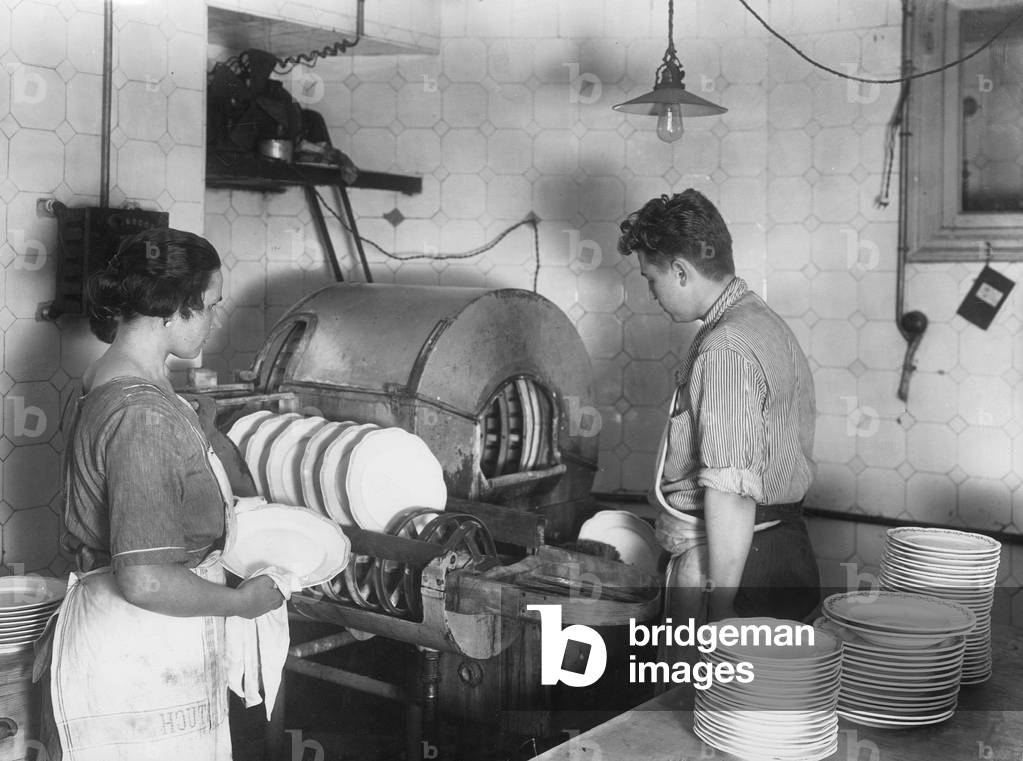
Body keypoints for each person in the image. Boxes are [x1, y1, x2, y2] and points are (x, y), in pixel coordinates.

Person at [41, 228, 284, 761]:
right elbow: (146, 580)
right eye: (212, 306)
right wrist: (242, 604)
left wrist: (202, 431)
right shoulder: (142, 413)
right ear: (175, 306)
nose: (215, 320)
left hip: (136, 640)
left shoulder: (113, 375)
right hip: (139, 649)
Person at [616, 190, 820, 650]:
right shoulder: (763, 323)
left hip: (739, 570)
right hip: (779, 556)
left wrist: (721, 611)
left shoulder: (725, 348)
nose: (652, 294)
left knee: (704, 712)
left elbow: (730, 492)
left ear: (682, 272)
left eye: (652, 279)